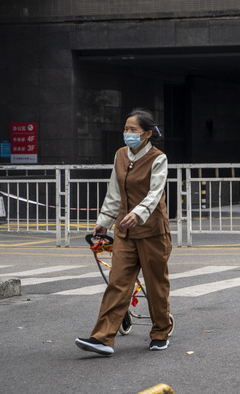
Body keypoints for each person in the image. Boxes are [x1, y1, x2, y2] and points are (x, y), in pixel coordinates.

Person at [76, 108, 172, 356]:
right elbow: (114, 191)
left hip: (152, 232)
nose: (127, 133)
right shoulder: (120, 155)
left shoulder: (158, 158)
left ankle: (161, 331)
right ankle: (102, 339)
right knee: (117, 284)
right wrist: (104, 221)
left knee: (156, 284)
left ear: (147, 134)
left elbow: (155, 193)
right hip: (124, 232)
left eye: (133, 130)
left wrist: (138, 214)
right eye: (125, 129)